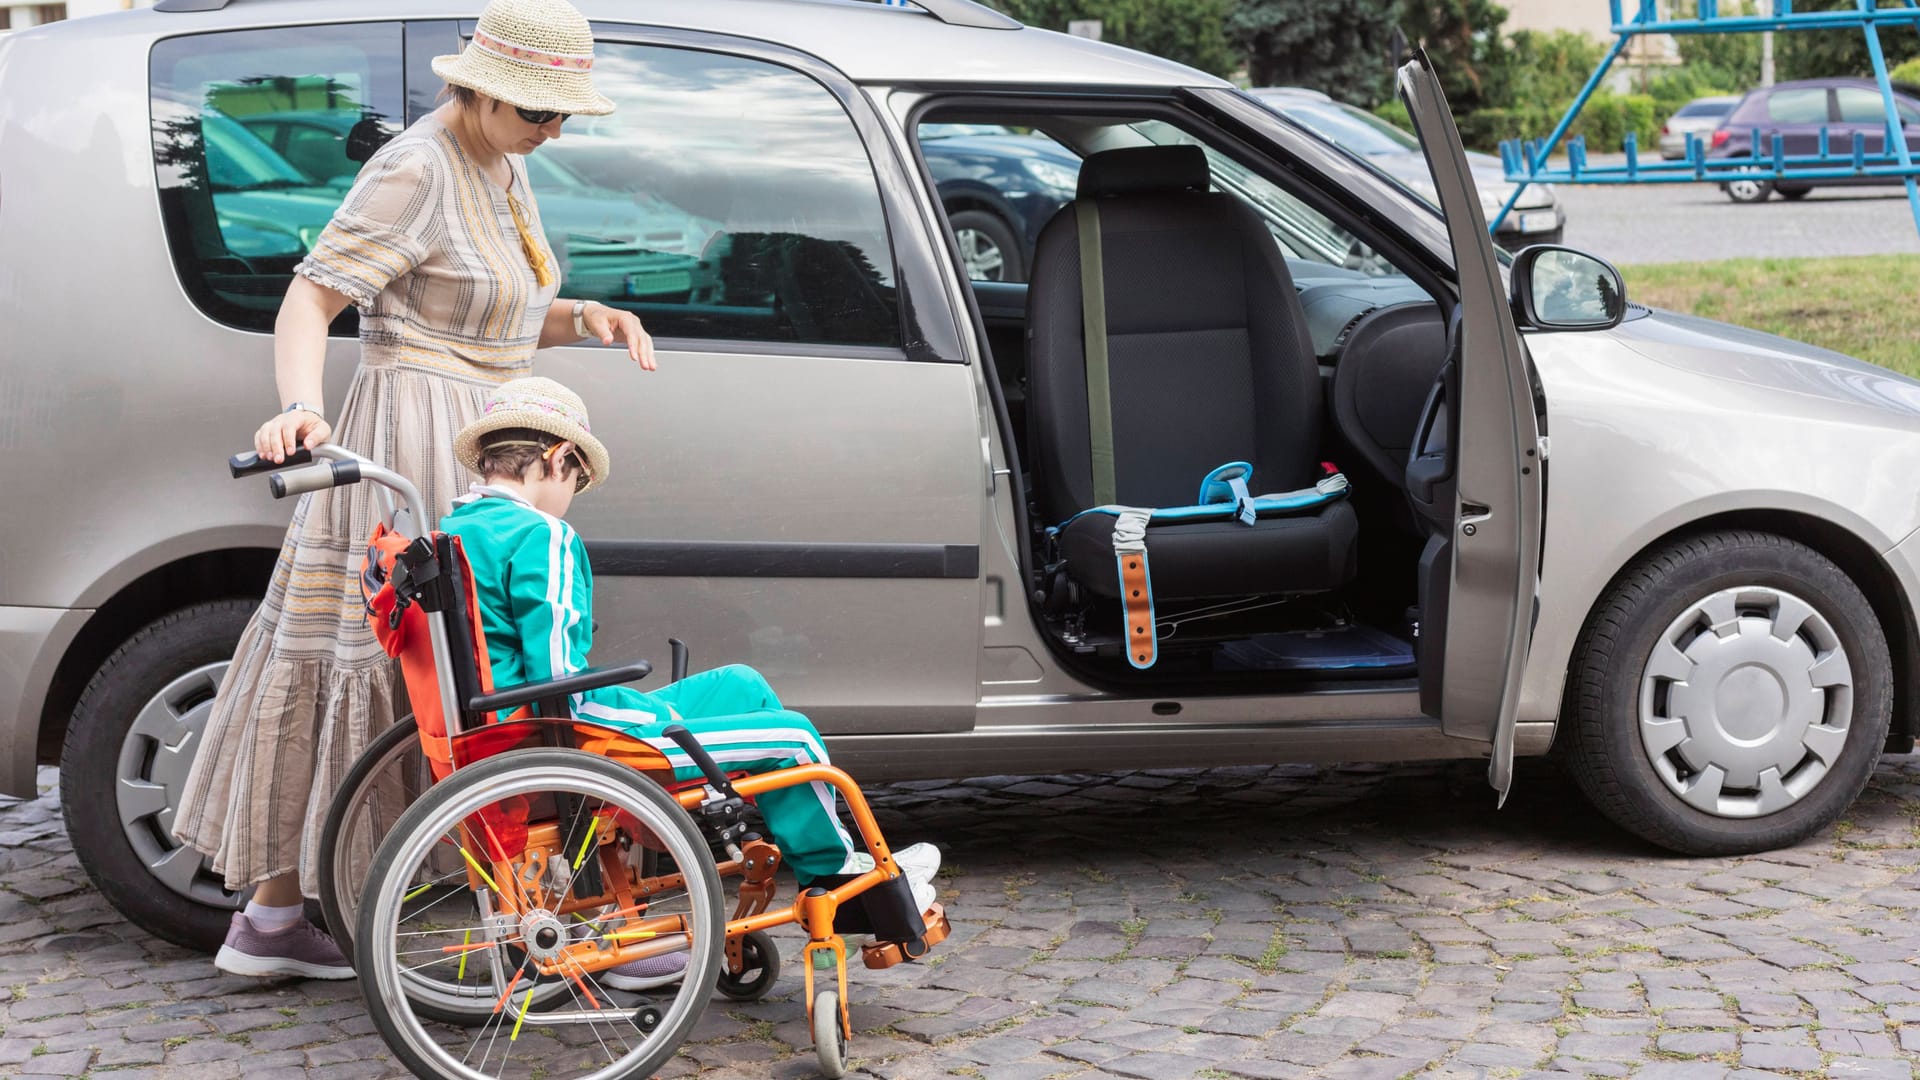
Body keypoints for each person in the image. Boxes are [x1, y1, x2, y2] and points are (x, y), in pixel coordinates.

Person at [175, 0, 659, 980]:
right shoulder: (415, 167)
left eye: (563, 114)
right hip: (416, 429)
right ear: (475, 88)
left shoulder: (501, 162)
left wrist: (583, 317)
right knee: (461, 672)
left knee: (427, 669)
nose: (553, 129)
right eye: (537, 111)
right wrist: (301, 409)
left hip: (481, 425)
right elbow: (315, 293)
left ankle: (272, 925)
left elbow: (490, 321)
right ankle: (530, 923)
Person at [442, 378, 941, 988]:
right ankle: (840, 878)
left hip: (510, 723)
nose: (573, 494)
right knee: (796, 740)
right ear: (559, 458)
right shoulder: (541, 535)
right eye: (577, 479)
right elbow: (554, 680)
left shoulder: (456, 528)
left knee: (741, 685)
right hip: (569, 731)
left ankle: (815, 849)